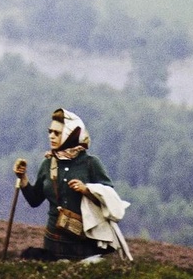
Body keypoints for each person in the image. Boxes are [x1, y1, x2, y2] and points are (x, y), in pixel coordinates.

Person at [13, 107, 117, 261]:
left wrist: (87, 190)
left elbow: (110, 199)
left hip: (85, 244)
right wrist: (22, 178)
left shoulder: (90, 164)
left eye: (57, 133)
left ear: (70, 134)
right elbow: (34, 200)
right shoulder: (47, 163)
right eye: (50, 132)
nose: (51, 136)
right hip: (53, 244)